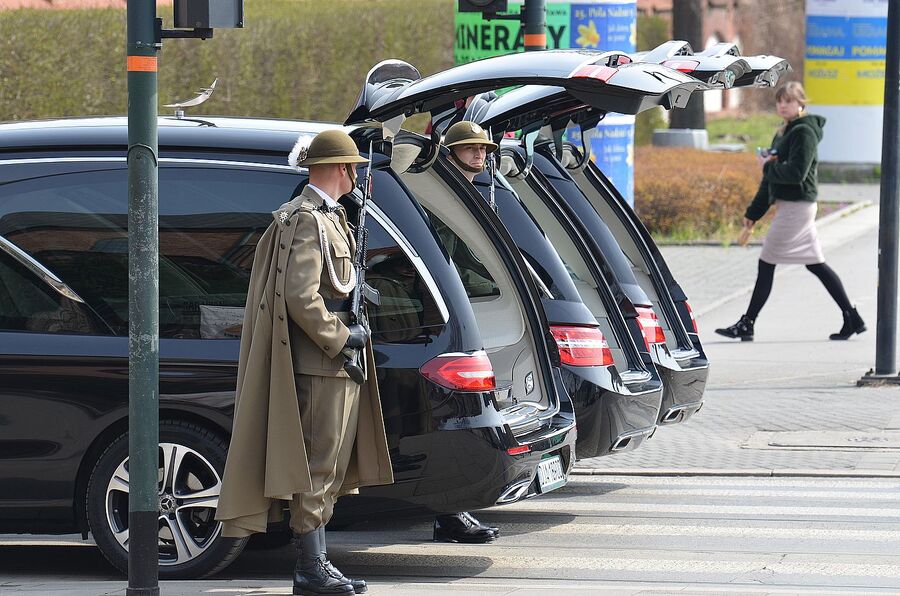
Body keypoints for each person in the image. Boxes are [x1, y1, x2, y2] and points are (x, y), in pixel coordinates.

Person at [216, 129, 394, 596]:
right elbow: (301, 296)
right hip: (322, 362)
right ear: (339, 168)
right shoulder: (307, 220)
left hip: (335, 362)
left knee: (330, 466)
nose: (356, 175)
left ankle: (317, 564)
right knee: (318, 465)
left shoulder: (331, 217)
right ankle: (310, 569)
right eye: (352, 167)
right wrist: (342, 338)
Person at [715, 82, 866, 343]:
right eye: (780, 101)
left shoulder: (804, 132)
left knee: (766, 263)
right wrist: (753, 213)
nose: (783, 105)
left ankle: (747, 324)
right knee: (816, 264)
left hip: (797, 207)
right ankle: (852, 317)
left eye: (789, 100)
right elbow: (770, 179)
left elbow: (797, 173)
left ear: (801, 103)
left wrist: (766, 167)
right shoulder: (784, 131)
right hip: (793, 205)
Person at [426, 120, 503, 544]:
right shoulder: (446, 198)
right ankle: (450, 513)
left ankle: (453, 509)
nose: (479, 154)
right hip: (443, 319)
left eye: (484, 148)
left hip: (459, 311)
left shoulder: (469, 193)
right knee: (454, 417)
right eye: (470, 148)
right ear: (451, 152)